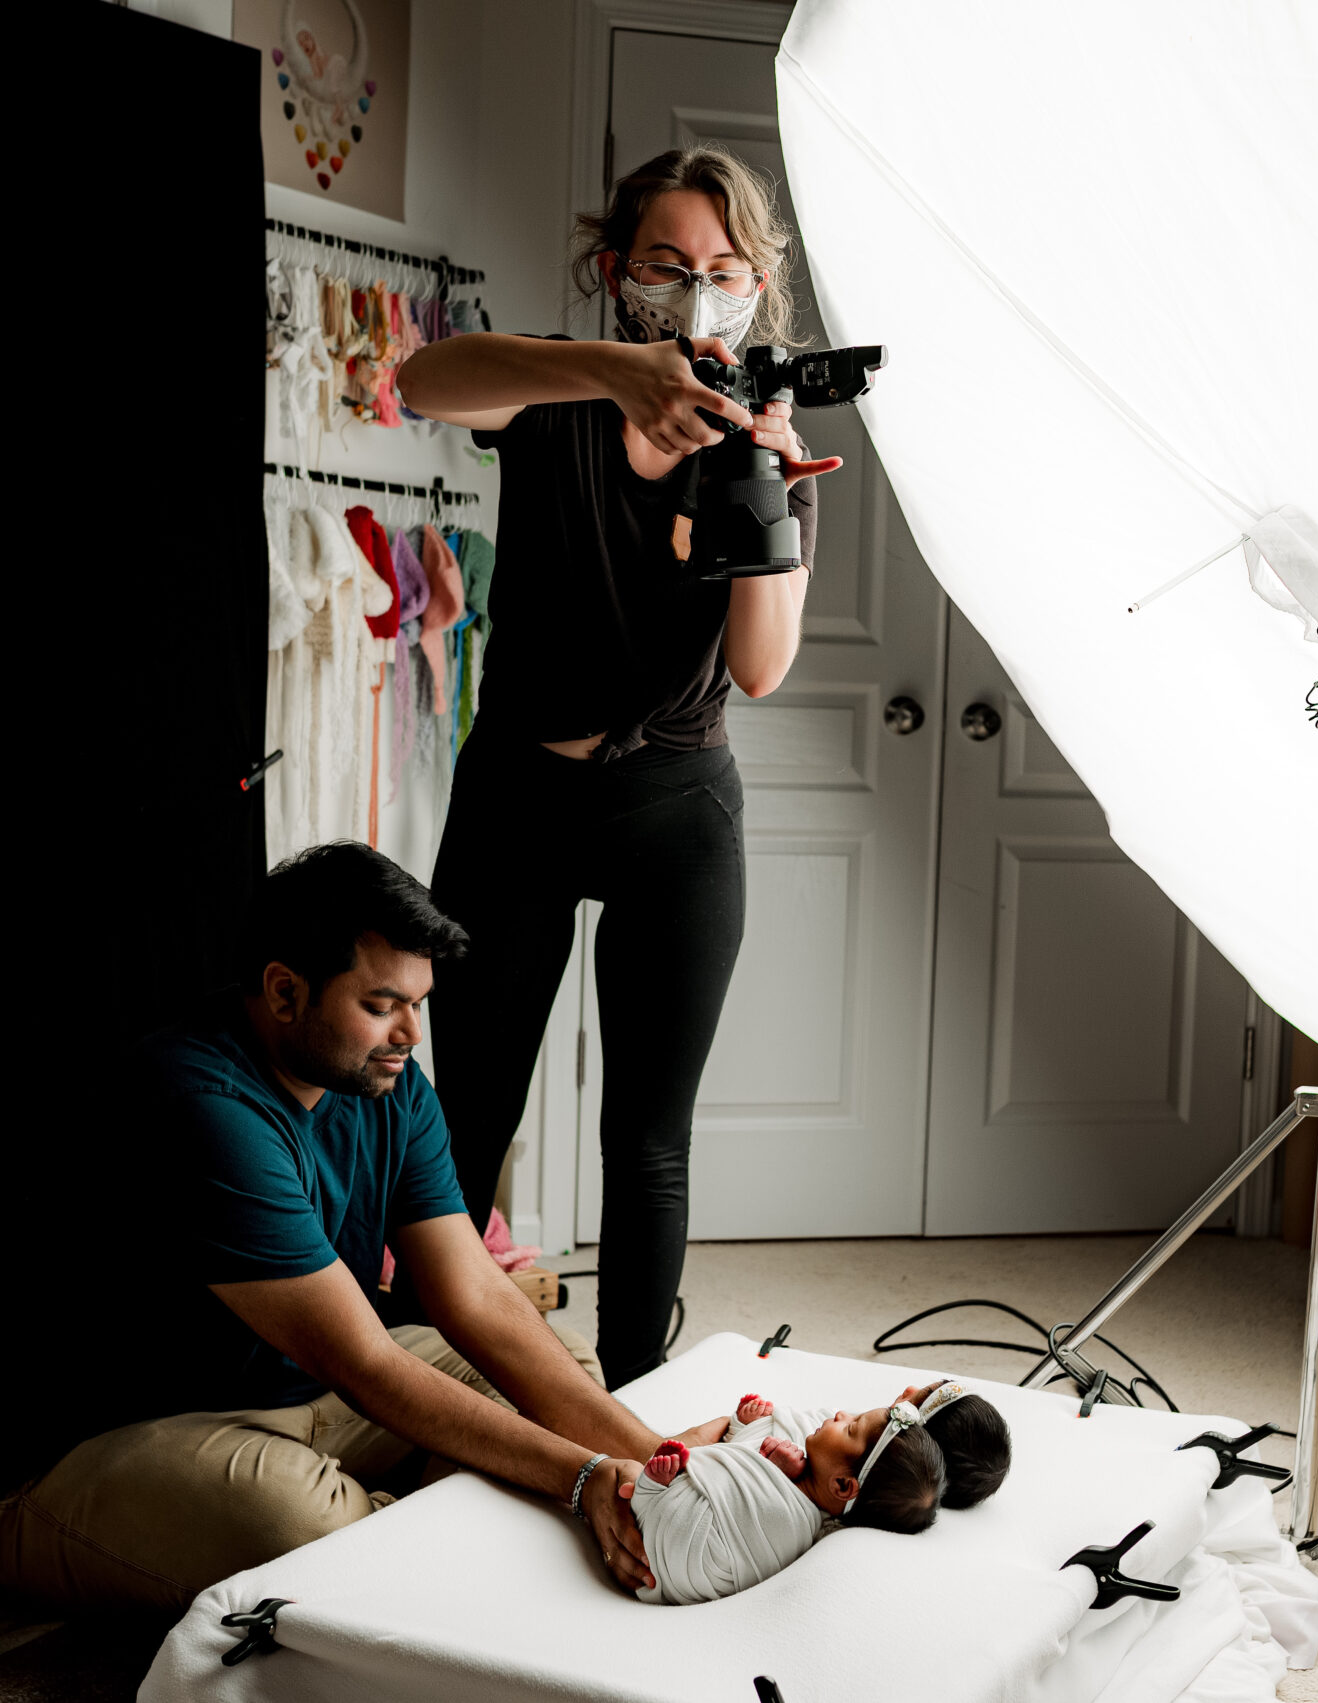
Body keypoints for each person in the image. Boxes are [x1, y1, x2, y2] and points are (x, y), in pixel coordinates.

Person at [396, 145, 843, 1390]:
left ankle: (633, 1401)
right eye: (666, 267)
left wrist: (762, 491)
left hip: (676, 809)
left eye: (723, 269)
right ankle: (430, 1383)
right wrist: (609, 370)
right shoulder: (555, 393)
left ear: (758, 285)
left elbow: (758, 669)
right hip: (517, 798)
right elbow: (424, 381)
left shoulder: (767, 448)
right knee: (463, 1120)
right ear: (616, 274)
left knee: (647, 1139)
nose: (696, 290)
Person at [0, 842, 674, 1609]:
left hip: (303, 1396)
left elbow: (478, 1298)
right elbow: (366, 1361)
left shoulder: (389, 1083)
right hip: (93, 1446)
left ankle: (438, 1524)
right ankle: (444, 1538)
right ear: (285, 990)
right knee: (297, 1524)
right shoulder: (202, 1104)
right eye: (380, 1004)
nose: (410, 1033)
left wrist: (659, 1461)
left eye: (418, 1003)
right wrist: (581, 1472)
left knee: (554, 1361)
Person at [628, 1389, 947, 1606]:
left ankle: (650, 1493)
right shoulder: (819, 1510)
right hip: (681, 1569)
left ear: (842, 1486)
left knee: (685, 1476)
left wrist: (754, 1439)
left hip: (693, 1545)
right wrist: (749, 1427)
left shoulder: (794, 1521)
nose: (841, 1415)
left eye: (851, 1429)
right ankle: (653, 1493)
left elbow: (738, 1464)